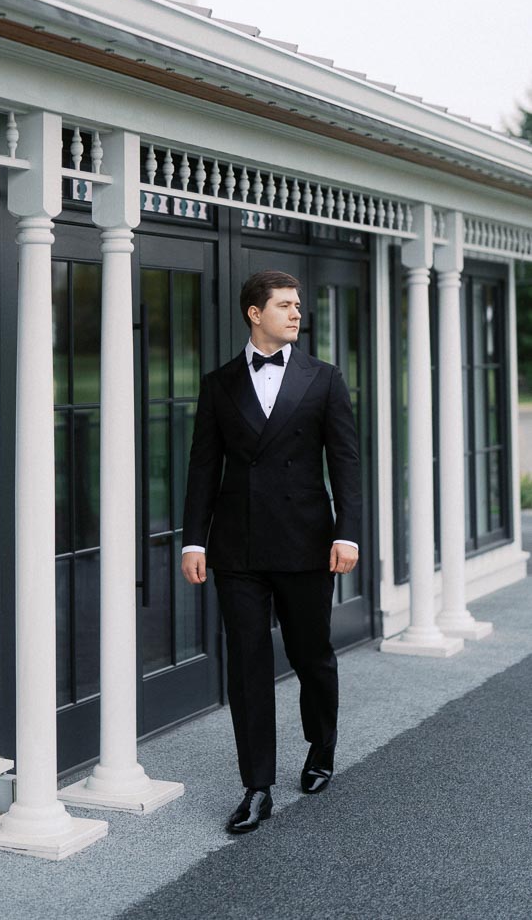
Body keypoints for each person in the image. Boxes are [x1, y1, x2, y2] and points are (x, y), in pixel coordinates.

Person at [181, 269, 361, 835]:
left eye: (298, 305)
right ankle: (256, 786)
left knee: (312, 655)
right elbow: (203, 468)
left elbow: (346, 463)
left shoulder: (324, 378)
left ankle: (321, 746)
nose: (296, 313)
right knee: (249, 667)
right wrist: (193, 538)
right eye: (284, 305)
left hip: (307, 542)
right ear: (254, 313)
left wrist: (347, 532)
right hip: (237, 549)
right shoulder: (219, 384)